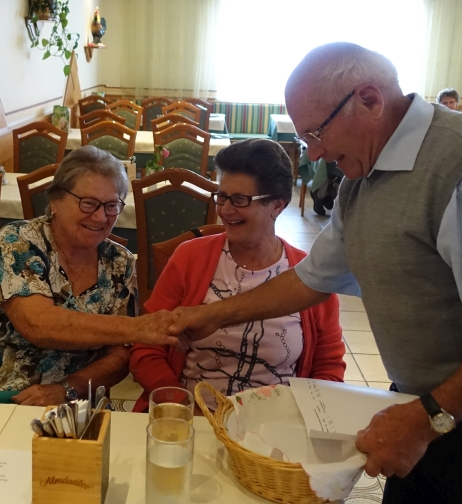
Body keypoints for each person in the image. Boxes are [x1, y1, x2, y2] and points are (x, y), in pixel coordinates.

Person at [173, 43, 462, 504]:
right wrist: (212, 316)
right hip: (434, 412)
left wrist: (423, 421)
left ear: (370, 100)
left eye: (316, 132)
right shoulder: (364, 175)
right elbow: (310, 280)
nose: (315, 152)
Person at [0, 146, 181, 405]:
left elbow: (120, 356)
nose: (101, 217)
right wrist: (138, 328)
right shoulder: (20, 240)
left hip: (74, 399)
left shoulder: (119, 261)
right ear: (55, 200)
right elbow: (38, 324)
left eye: (112, 205)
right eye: (88, 203)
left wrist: (67, 389)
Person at [129, 139, 345, 411]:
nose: (225, 210)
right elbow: (146, 346)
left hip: (276, 422)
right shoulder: (190, 258)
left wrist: (297, 417)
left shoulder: (309, 276)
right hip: (191, 414)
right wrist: (179, 404)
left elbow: (328, 367)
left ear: (277, 205)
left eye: (240, 200)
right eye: (222, 197)